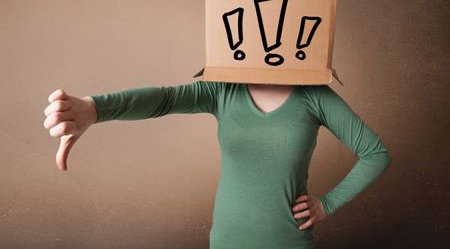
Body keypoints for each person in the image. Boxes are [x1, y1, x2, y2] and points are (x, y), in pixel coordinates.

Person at [43, 80, 392, 249]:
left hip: (288, 242)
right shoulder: (223, 90)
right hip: (228, 241)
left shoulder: (315, 95)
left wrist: (327, 204)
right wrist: (96, 108)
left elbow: (375, 153)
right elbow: (165, 99)